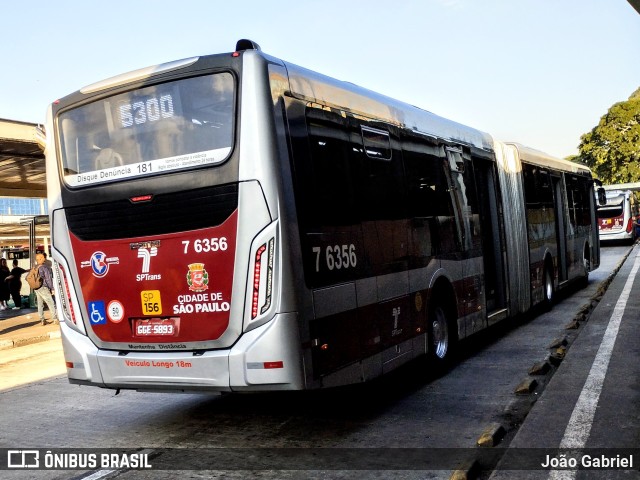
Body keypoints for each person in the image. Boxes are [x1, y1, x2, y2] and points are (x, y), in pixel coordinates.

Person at [34, 253, 58, 325]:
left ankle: (42, 320)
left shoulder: (35, 268)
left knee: (40, 304)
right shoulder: (44, 267)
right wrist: (52, 288)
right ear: (41, 259)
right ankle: (55, 319)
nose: (45, 259)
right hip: (44, 287)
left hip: (37, 288)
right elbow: (48, 279)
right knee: (51, 303)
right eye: (44, 257)